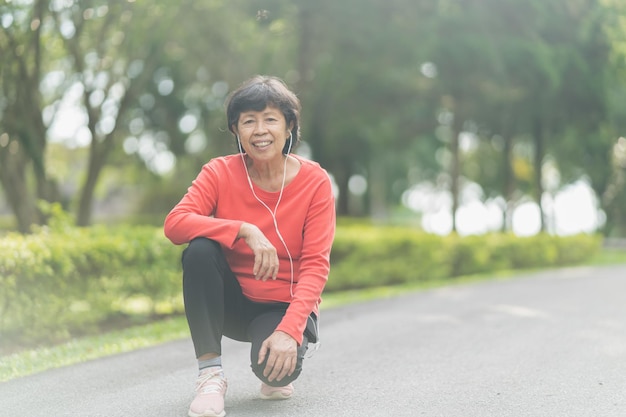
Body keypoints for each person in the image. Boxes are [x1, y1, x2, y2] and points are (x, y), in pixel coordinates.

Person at [164, 75, 336, 417]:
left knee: (277, 373)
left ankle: (277, 359)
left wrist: (289, 331)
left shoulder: (315, 181)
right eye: (248, 121)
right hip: (232, 302)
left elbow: (316, 265)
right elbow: (175, 224)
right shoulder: (219, 172)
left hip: (280, 307)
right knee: (199, 250)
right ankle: (210, 376)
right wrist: (244, 229)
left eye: (270, 119)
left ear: (289, 127)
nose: (260, 130)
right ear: (236, 131)